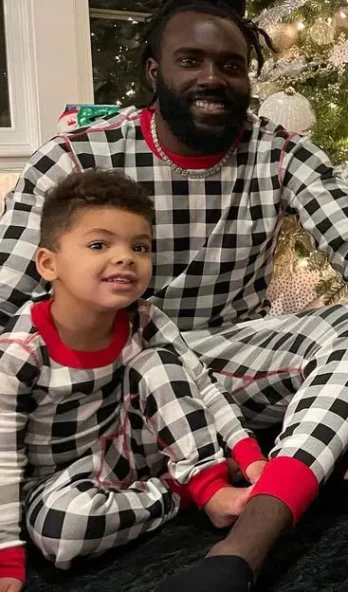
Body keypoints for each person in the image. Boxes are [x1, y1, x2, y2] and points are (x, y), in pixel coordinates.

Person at [0, 0, 348, 591]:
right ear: (153, 69)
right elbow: (8, 300)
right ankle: (183, 488)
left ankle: (239, 554)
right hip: (101, 393)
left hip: (221, 376)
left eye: (231, 65)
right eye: (189, 61)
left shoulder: (277, 154)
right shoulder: (75, 161)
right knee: (56, 525)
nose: (212, 78)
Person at [0, 170, 256, 592]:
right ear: (49, 264)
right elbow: (4, 460)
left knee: (161, 362)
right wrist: (8, 554)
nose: (125, 258)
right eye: (99, 245)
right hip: (54, 485)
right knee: (61, 529)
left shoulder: (145, 318)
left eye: (139, 247)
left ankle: (208, 484)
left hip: (127, 449)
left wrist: (248, 455)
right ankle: (179, 493)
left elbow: (202, 386)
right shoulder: (20, 354)